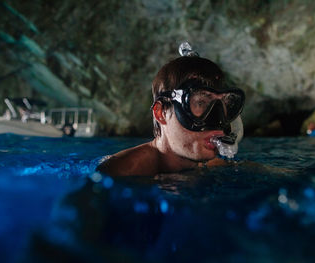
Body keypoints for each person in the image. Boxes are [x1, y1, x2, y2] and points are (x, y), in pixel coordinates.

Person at [96, 44, 245, 177]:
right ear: (160, 113)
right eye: (200, 102)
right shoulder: (120, 172)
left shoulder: (214, 166)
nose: (217, 121)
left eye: (223, 104)